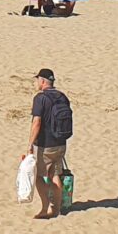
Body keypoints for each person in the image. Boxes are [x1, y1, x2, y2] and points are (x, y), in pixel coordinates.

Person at [27, 68, 71, 220]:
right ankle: (56, 208)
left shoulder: (40, 98)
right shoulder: (62, 96)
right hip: (61, 143)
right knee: (55, 175)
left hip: (46, 145)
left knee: (38, 176)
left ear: (43, 81)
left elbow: (37, 122)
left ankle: (45, 207)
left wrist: (30, 144)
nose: (36, 82)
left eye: (37, 79)